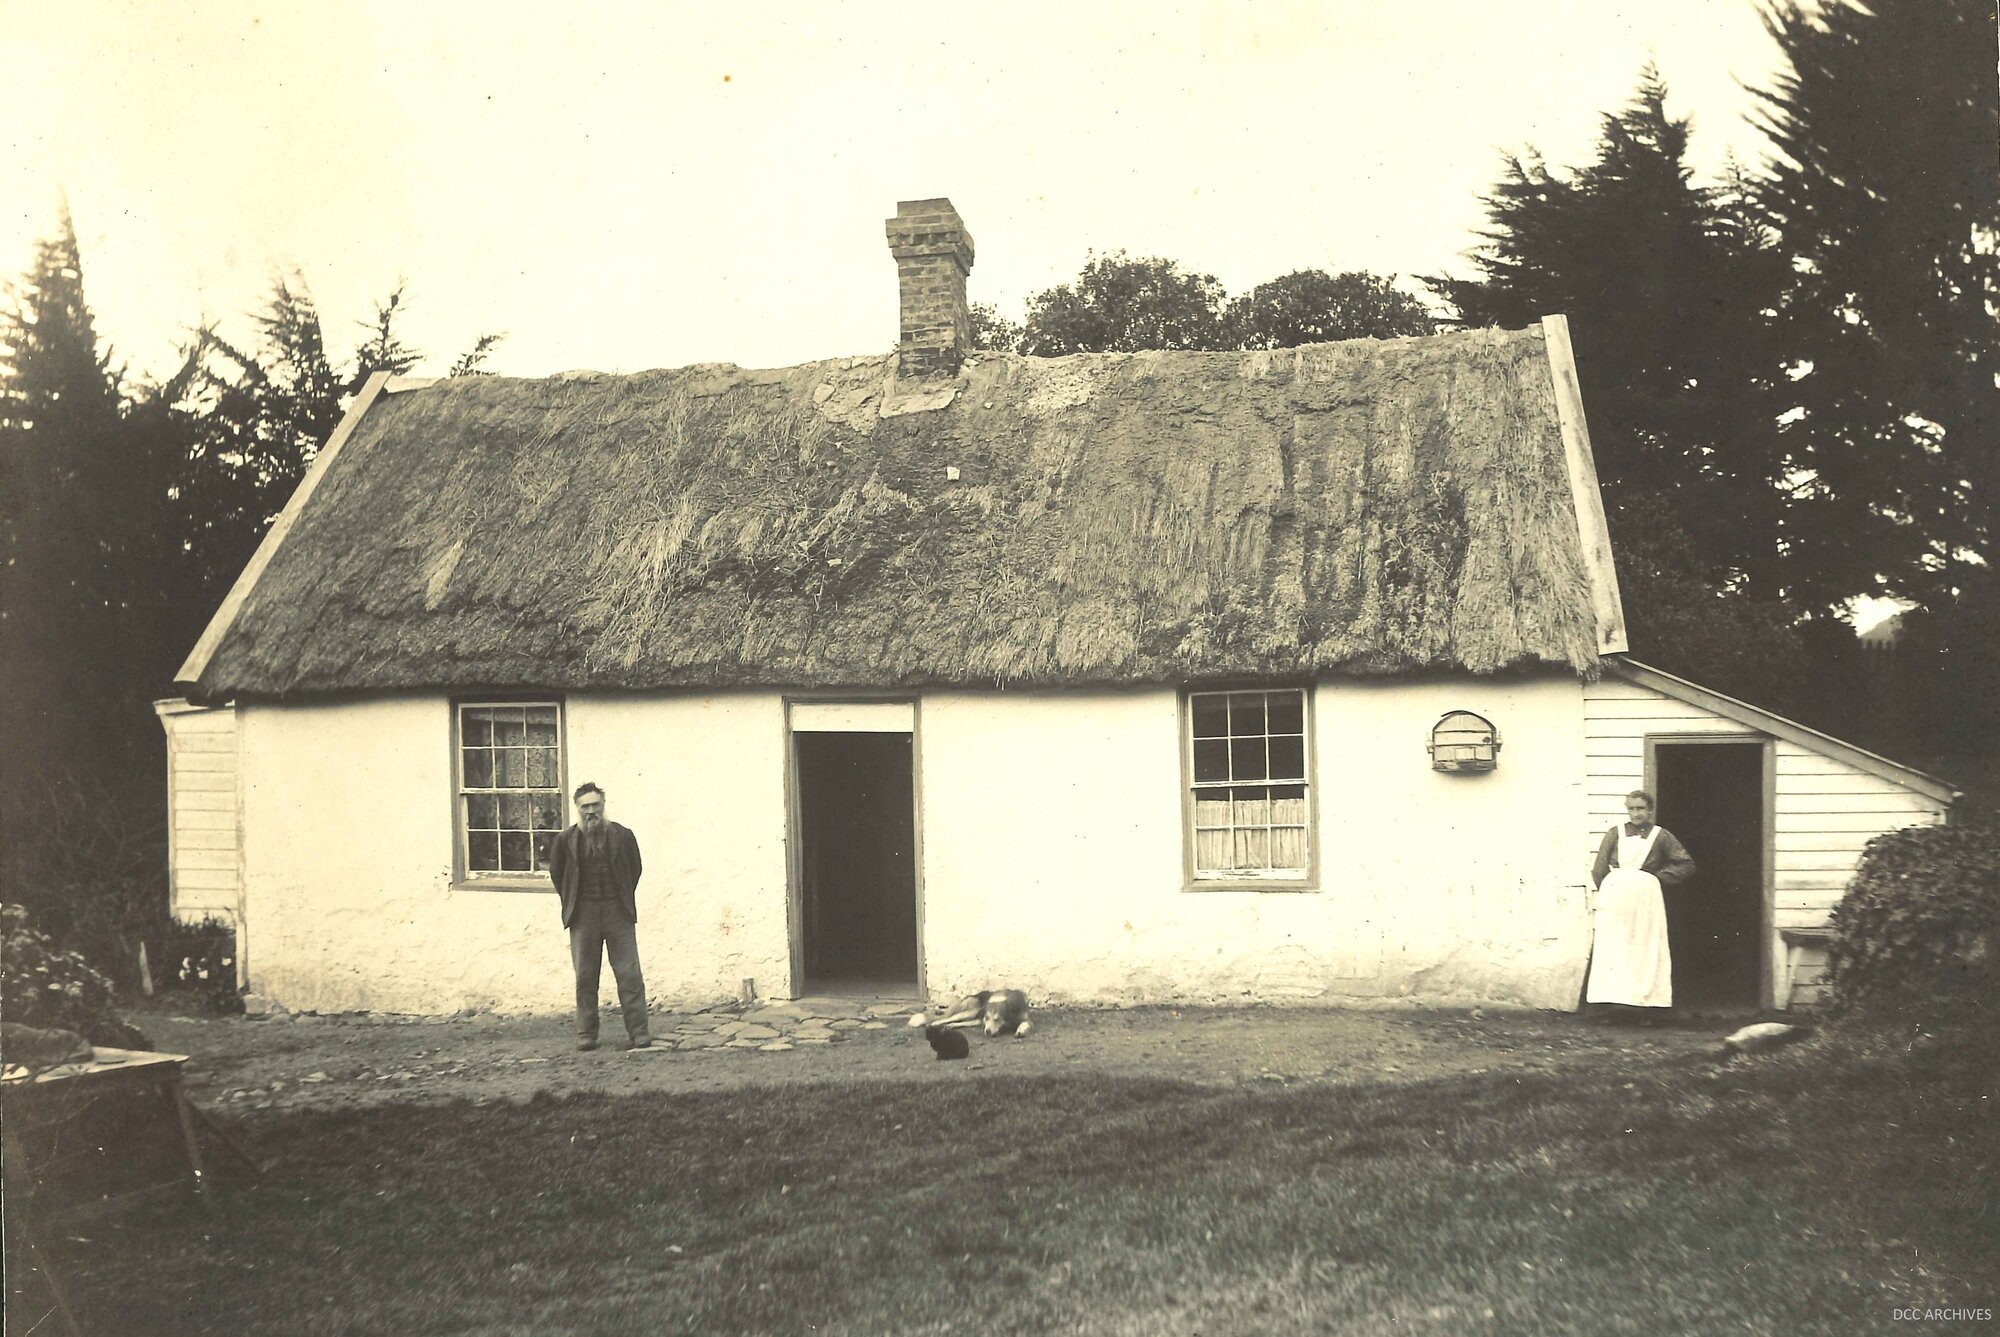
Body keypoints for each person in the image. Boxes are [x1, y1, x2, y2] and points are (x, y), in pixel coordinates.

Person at [548, 783, 652, 1051]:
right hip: (584, 915)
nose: (591, 811)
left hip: (618, 913)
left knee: (629, 974)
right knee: (585, 975)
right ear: (577, 809)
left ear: (603, 805)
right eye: (585, 806)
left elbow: (635, 870)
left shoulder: (623, 835)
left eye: (595, 805)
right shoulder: (565, 841)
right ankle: (587, 1034)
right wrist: (575, 903)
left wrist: (620, 898)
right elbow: (559, 876)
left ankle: (639, 1032)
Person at [1584, 789, 1696, 1021]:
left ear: (1650, 810)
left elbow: (1686, 864)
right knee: (1614, 947)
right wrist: (1610, 891)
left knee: (1645, 946)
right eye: (1631, 809)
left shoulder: (1661, 835)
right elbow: (1599, 868)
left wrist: (1656, 878)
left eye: (1640, 809)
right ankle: (1609, 1007)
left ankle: (1646, 1007)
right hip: (1616, 899)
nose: (1636, 814)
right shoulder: (1615, 833)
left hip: (1646, 898)